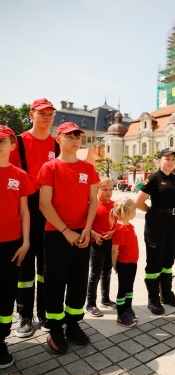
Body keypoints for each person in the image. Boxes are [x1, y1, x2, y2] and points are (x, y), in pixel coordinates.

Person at [37, 122, 99, 355]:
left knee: (78, 280)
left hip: (82, 233)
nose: (75, 139)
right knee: (55, 282)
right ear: (58, 138)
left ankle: (72, 324)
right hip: (56, 235)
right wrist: (66, 231)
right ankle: (54, 328)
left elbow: (93, 201)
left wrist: (87, 229)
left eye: (78, 136)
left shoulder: (88, 168)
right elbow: (44, 204)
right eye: (69, 135)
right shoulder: (50, 167)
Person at [9, 98, 57, 337]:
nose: (47, 117)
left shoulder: (57, 144)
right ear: (31, 114)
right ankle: (25, 315)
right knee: (25, 266)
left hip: (48, 209)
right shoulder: (17, 142)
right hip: (25, 209)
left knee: (46, 266)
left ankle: (45, 313)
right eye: (42, 113)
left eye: (50, 114)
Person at [0, 126, 34, 368]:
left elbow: (24, 210)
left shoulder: (20, 175)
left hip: (12, 245)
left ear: (13, 145)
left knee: (6, 294)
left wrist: (26, 242)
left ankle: (0, 340)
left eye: (4, 141)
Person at [135, 148, 175, 314]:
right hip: (156, 224)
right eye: (167, 159)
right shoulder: (153, 178)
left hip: (173, 222)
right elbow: (139, 201)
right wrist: (152, 212)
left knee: (169, 258)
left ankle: (167, 294)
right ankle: (153, 298)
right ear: (159, 160)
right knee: (155, 260)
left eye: (173, 159)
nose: (170, 162)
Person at [86, 178, 116, 317]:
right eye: (104, 189)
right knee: (95, 274)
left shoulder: (115, 206)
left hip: (111, 243)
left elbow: (120, 224)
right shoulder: (92, 206)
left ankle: (105, 298)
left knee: (107, 272)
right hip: (96, 244)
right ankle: (91, 303)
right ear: (97, 190)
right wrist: (94, 234)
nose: (108, 192)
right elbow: (85, 225)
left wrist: (113, 232)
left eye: (110, 189)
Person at [110, 198, 139, 328]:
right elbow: (114, 250)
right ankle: (121, 315)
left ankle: (128, 308)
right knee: (122, 290)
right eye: (135, 210)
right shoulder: (120, 230)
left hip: (132, 263)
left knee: (129, 288)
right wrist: (115, 265)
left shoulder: (129, 226)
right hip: (124, 264)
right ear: (128, 213)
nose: (135, 212)